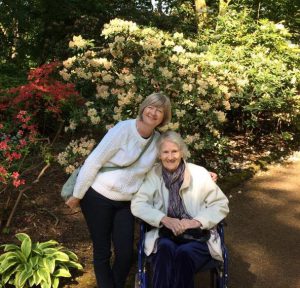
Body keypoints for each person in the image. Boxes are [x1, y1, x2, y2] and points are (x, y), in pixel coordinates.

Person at [65, 92, 217, 288]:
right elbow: (93, 162)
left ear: (164, 117)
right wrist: (77, 195)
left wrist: (202, 174)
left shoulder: (157, 141)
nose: (153, 112)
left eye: (159, 110)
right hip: (97, 196)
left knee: (125, 254)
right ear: (143, 107)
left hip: (126, 202)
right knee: (102, 251)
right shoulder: (122, 129)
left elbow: (171, 160)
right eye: (150, 107)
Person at [131, 130, 229, 288]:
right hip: (165, 234)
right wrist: (164, 219)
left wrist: (196, 222)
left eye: (174, 151)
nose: (170, 157)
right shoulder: (153, 175)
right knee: (164, 250)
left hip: (198, 236)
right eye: (166, 152)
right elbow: (138, 204)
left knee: (184, 254)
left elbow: (220, 204)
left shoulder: (200, 173)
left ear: (182, 152)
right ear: (159, 155)